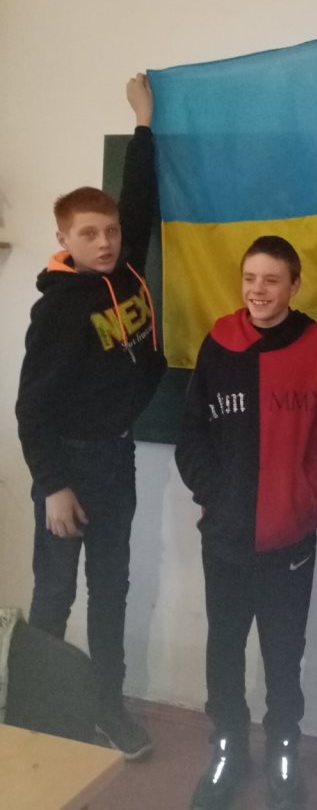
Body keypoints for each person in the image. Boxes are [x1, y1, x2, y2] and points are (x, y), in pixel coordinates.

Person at [15, 74, 165, 759]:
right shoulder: (58, 310)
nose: (104, 242)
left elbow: (139, 199)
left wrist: (143, 122)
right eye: (88, 234)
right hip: (68, 466)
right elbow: (31, 408)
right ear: (63, 239)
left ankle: (108, 706)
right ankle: (35, 718)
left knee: (112, 589)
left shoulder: (123, 266)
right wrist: (53, 486)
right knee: (54, 592)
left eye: (110, 232)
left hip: (116, 456)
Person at [176, 235, 317, 810]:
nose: (259, 290)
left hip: (290, 540)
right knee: (223, 650)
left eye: (272, 279)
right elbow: (192, 432)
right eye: (250, 278)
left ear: (295, 286)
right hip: (224, 537)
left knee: (283, 654)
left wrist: (307, 498)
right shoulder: (219, 341)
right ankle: (227, 748)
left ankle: (283, 751)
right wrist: (214, 494)